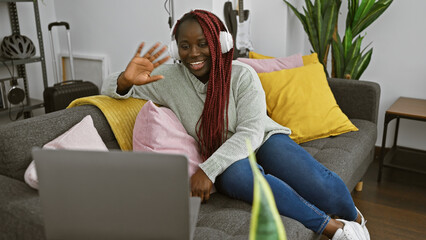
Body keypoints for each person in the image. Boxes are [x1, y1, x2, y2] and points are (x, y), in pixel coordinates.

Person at [102, 9, 370, 240]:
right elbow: (109, 88)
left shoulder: (243, 76)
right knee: (237, 176)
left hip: (261, 139)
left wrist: (207, 171)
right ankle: (332, 228)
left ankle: (354, 220)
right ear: (176, 49)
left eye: (203, 43)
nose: (193, 53)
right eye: (185, 46)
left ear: (221, 42)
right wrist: (125, 82)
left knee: (321, 186)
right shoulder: (168, 78)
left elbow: (251, 132)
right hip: (224, 154)